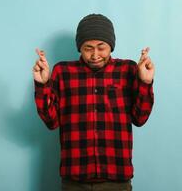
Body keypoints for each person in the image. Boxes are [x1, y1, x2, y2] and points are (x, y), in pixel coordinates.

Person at [32, 13, 155, 191]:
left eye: (101, 47)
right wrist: (42, 85)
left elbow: (140, 118)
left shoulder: (127, 70)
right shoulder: (62, 72)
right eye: (88, 48)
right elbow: (52, 122)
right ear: (79, 48)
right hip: (74, 181)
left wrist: (145, 82)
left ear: (111, 46)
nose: (95, 55)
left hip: (117, 180)